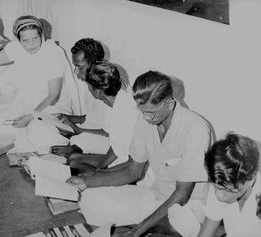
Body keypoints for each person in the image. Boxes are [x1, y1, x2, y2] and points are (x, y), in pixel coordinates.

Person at [67, 71, 213, 237]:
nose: (145, 118)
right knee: (90, 197)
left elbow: (182, 194)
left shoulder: (195, 129)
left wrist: (136, 232)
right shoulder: (144, 121)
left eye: (150, 112)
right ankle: (146, 227)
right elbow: (133, 170)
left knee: (181, 224)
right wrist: (88, 181)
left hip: (188, 208)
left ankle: (142, 227)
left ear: (169, 104)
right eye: (141, 111)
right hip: (156, 197)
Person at [0, 15, 66, 149]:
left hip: (48, 105)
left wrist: (31, 116)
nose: (31, 44)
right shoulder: (16, 48)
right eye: (25, 40)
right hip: (24, 101)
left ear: (42, 36)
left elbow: (53, 95)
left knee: (40, 137)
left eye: (35, 38)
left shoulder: (52, 52)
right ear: (19, 40)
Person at [66, 60, 139, 173]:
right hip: (118, 155)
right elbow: (115, 145)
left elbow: (119, 152)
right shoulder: (114, 101)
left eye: (89, 86)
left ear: (99, 91)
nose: (89, 89)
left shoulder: (124, 110)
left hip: (128, 165)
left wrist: (98, 171)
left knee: (75, 164)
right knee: (73, 159)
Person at [198, 133, 261, 237]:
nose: (218, 194)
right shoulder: (221, 185)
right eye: (215, 187)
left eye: (226, 189)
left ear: (249, 180)